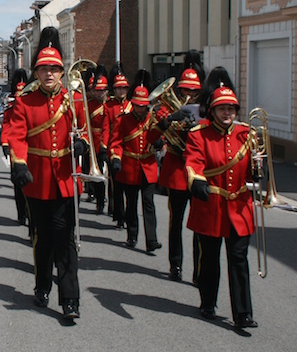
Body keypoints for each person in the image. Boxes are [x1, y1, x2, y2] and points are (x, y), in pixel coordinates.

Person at [7, 26, 88, 320]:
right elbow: (17, 136)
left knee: (66, 240)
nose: (49, 74)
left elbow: (87, 130)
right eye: (43, 69)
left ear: (62, 72)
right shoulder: (25, 102)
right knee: (43, 240)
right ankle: (42, 285)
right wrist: (19, 163)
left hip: (66, 179)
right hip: (37, 181)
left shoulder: (74, 100)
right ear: (37, 73)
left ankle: (70, 298)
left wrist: (83, 144)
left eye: (54, 69)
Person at [184, 66, 258, 328]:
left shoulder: (247, 135)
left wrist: (262, 173)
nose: (227, 113)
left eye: (231, 109)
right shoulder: (199, 135)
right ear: (212, 110)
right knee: (210, 259)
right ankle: (208, 301)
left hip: (239, 206)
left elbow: (253, 170)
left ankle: (243, 313)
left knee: (239, 259)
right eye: (222, 109)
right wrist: (197, 181)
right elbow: (194, 162)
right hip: (211, 205)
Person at [149, 49, 206, 282]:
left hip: (199, 171)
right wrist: (168, 122)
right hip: (176, 167)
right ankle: (176, 264)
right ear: (178, 89)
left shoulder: (205, 110)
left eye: (193, 90)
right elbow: (152, 136)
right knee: (176, 222)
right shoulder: (167, 108)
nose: (189, 94)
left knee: (201, 224)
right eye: (185, 90)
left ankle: (200, 270)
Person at [109, 70, 162, 253]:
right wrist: (116, 158)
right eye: (138, 106)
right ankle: (132, 235)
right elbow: (115, 142)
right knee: (131, 204)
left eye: (143, 106)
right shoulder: (123, 120)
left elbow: (159, 141)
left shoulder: (152, 120)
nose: (140, 109)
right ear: (133, 104)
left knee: (149, 203)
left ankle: (151, 239)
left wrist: (159, 143)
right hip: (129, 167)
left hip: (147, 166)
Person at [1, 68, 30, 232]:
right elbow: (7, 125)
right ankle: (22, 213)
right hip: (15, 148)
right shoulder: (12, 108)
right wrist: (5, 144)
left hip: (30, 148)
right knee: (18, 183)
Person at [106, 62, 131, 228]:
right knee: (116, 185)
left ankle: (127, 216)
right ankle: (119, 214)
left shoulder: (132, 106)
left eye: (124, 88)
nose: (121, 91)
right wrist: (106, 148)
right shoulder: (109, 106)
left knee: (129, 188)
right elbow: (106, 128)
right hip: (115, 148)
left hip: (130, 149)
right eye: (118, 88)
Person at [86, 65, 111, 214]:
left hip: (110, 141)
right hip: (94, 142)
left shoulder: (110, 104)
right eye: (97, 90)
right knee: (98, 175)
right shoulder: (89, 105)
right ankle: (100, 201)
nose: (99, 93)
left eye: (101, 90)